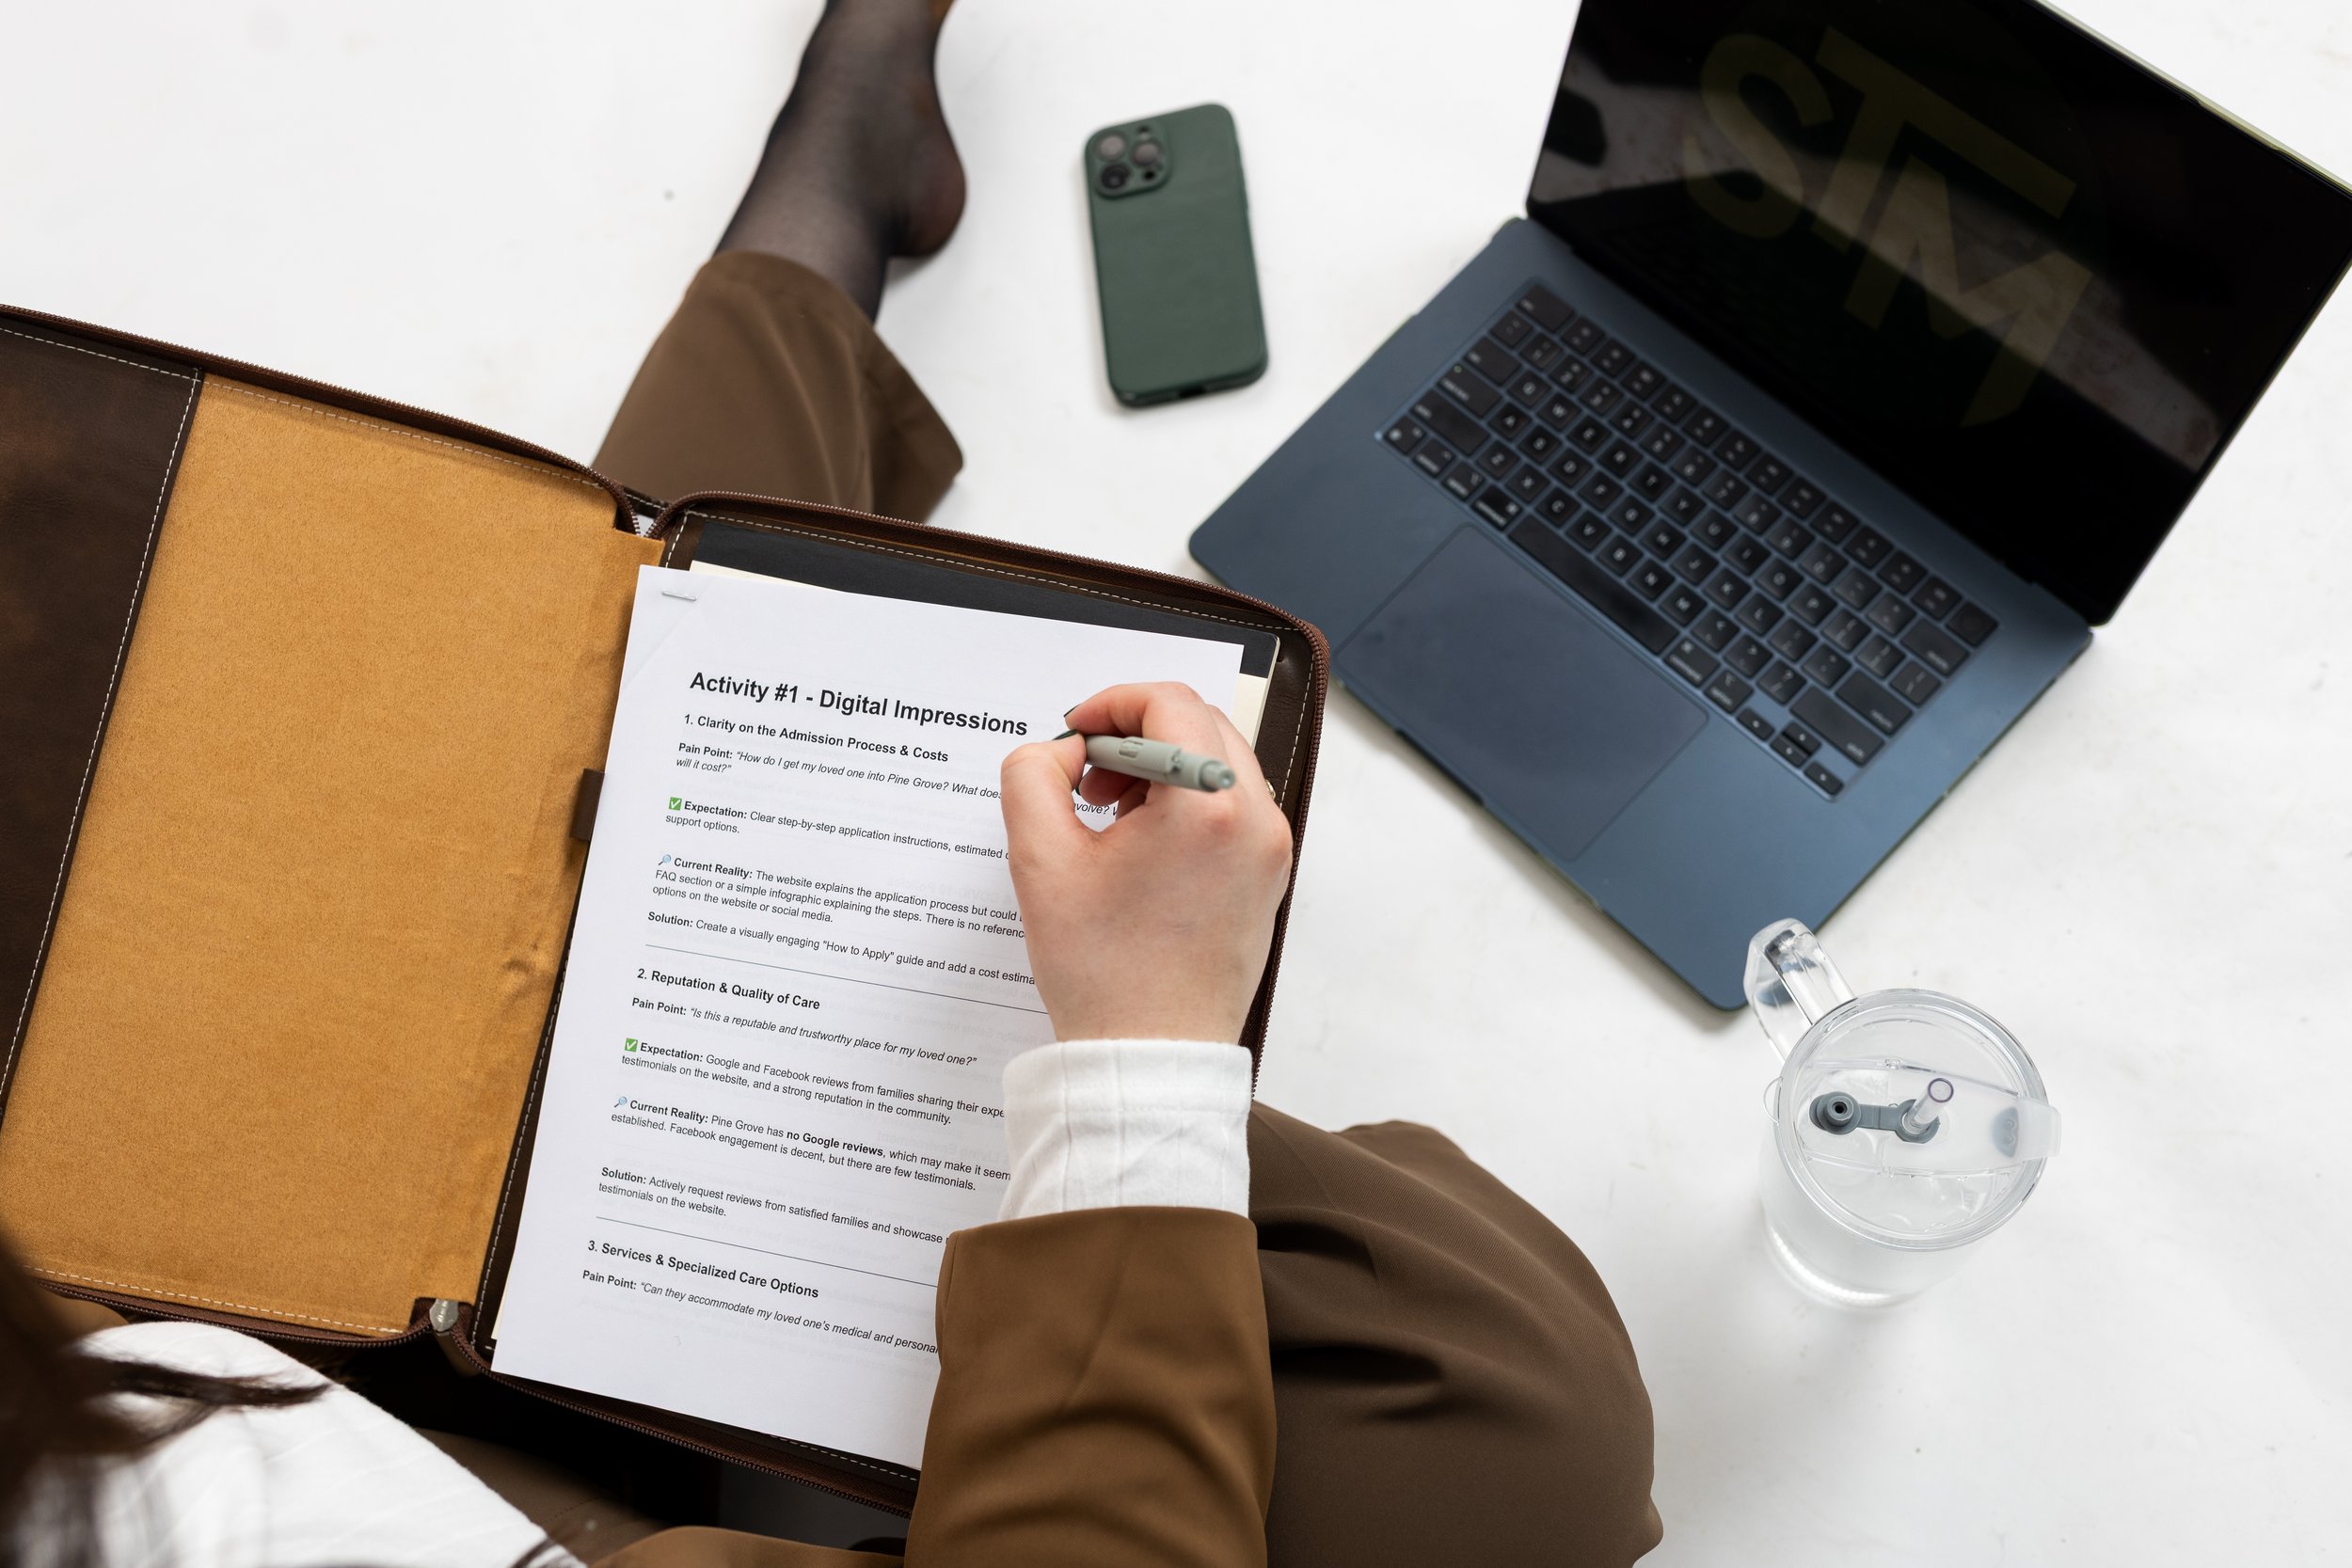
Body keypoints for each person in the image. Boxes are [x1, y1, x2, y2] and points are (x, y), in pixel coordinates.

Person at [1, 3, 1662, 1564]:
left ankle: (835, 194)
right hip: (422, 1479)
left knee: (597, 681)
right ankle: (829, 210)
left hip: (174, 1373)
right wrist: (1142, 1050)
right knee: (1527, 1419)